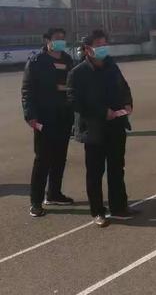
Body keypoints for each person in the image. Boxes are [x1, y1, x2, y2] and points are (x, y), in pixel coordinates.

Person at [67, 29, 138, 227]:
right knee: (95, 172)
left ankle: (119, 207)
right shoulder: (78, 73)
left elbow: (124, 88)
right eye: (99, 45)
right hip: (94, 129)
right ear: (88, 49)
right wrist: (101, 112)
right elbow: (74, 101)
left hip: (116, 125)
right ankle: (98, 211)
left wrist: (128, 103)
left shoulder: (111, 66)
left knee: (117, 168)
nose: (103, 48)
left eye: (105, 44)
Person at [22, 27, 75, 217]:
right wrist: (30, 115)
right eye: (56, 38)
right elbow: (27, 91)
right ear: (47, 41)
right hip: (44, 118)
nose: (61, 41)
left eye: (63, 38)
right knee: (42, 160)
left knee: (60, 158)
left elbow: (73, 88)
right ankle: (35, 202)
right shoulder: (37, 62)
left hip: (64, 117)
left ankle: (54, 194)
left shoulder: (68, 60)